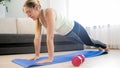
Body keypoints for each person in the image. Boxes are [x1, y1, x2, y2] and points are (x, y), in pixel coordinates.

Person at [23, 0, 109, 64]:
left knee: (89, 42)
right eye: (26, 13)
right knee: (85, 43)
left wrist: (50, 58)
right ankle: (97, 46)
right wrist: (37, 55)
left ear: (36, 8)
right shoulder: (38, 20)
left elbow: (50, 37)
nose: (28, 15)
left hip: (75, 28)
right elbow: (37, 38)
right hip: (68, 34)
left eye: (29, 12)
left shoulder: (49, 12)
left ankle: (104, 45)